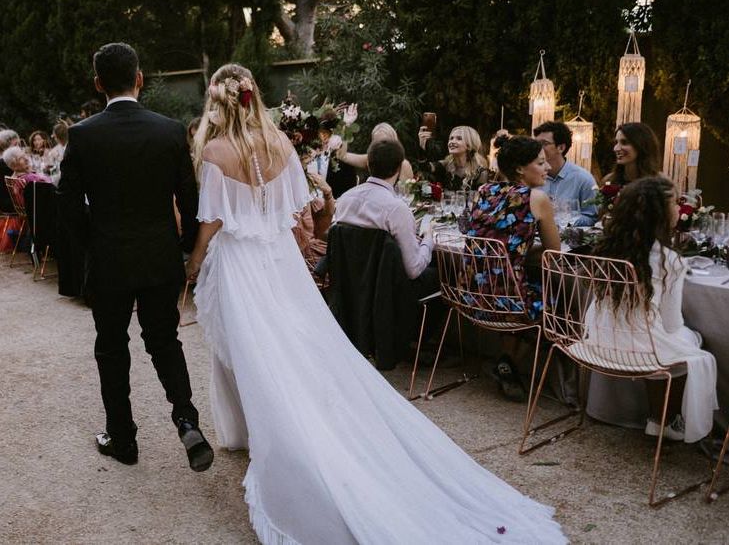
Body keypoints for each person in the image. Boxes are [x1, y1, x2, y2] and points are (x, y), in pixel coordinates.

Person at [186, 62, 566, 544]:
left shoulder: (216, 150)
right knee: (292, 346)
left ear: (217, 101)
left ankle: (273, 440)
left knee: (253, 349)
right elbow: (294, 208)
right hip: (277, 257)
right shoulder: (281, 143)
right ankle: (248, 430)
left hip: (242, 259)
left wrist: (195, 260)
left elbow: (212, 220)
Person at [57, 42, 213, 471]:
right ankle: (185, 419)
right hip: (159, 258)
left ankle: (123, 439)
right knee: (164, 341)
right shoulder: (169, 130)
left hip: (108, 260)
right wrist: (182, 250)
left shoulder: (84, 134)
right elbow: (190, 198)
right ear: (139, 79)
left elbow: (66, 203)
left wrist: (93, 241)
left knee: (111, 348)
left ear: (98, 83)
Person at [585, 176, 717, 443]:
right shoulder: (670, 260)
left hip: (596, 341)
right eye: (676, 204)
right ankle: (664, 420)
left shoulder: (607, 249)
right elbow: (670, 323)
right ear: (661, 213)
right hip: (637, 352)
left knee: (663, 340)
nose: (681, 210)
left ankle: (658, 420)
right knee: (691, 341)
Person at [462, 135, 560, 401]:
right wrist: (523, 250)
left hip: (472, 292)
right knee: (558, 305)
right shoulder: (536, 198)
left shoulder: (484, 191)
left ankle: (507, 363)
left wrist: (516, 249)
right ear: (520, 169)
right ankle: (510, 362)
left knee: (523, 287)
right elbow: (554, 253)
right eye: (541, 163)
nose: (548, 168)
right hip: (509, 300)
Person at [334, 138, 437, 295]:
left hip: (349, 286)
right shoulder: (397, 209)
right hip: (387, 293)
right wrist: (429, 238)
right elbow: (413, 269)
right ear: (398, 168)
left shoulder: (344, 199)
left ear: (368, 164)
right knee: (443, 275)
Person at [533, 121, 597, 226]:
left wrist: (566, 220)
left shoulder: (583, 179)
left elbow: (592, 217)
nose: (537, 148)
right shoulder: (532, 177)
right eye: (536, 144)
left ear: (561, 148)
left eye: (544, 144)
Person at [418, 124, 489, 190]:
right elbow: (425, 168)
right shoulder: (446, 164)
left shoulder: (480, 172)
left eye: (459, 139)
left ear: (469, 145)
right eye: (451, 138)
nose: (452, 142)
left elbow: (480, 199)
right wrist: (422, 147)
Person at [337, 122, 415, 181]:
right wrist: (347, 125)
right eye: (377, 143)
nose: (381, 148)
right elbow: (342, 156)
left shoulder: (403, 165)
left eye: (385, 142)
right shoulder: (369, 159)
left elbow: (407, 196)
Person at [604, 122, 661, 186]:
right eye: (616, 142)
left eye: (624, 142)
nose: (616, 148)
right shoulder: (608, 181)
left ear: (641, 146)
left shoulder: (660, 184)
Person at [0, 129, 20, 212]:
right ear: (6, 146)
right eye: (15, 145)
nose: (18, 148)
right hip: (11, 205)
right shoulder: (6, 164)